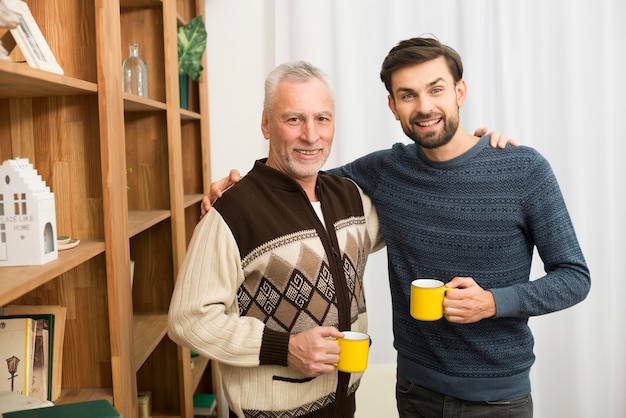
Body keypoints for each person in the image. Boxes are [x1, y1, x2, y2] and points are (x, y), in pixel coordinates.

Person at [206, 37, 591, 418]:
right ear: (392, 106)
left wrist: (494, 302)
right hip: (414, 391)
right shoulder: (386, 170)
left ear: (460, 91)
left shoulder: (523, 168)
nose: (424, 107)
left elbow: (574, 277)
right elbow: (299, 177)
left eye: (436, 89)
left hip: (498, 399)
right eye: (407, 95)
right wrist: (237, 187)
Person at [168, 61, 386, 418]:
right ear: (266, 123)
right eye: (294, 119)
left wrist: (478, 149)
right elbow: (188, 320)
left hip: (345, 407)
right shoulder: (232, 212)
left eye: (323, 119)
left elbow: (414, 215)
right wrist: (284, 348)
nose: (311, 135)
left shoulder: (351, 198)